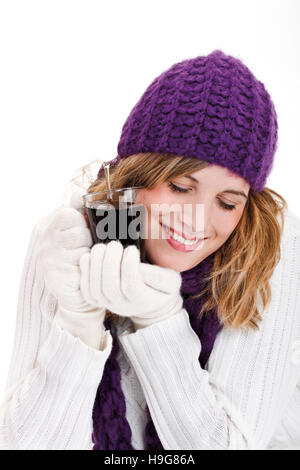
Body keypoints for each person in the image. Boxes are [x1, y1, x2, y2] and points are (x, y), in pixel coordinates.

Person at [1, 50, 300, 450]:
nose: (196, 222)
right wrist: (79, 323)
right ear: (138, 174)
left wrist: (159, 320)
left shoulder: (268, 250)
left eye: (227, 202)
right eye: (180, 187)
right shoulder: (74, 237)